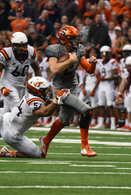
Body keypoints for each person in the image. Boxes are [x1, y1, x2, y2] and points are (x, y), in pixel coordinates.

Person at [40, 25, 98, 158]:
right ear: (64, 40)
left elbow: (89, 70)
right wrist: (70, 61)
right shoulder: (54, 50)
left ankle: (46, 140)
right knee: (87, 111)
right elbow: (54, 70)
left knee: (65, 120)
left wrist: (93, 63)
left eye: (76, 38)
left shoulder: (78, 50)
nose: (76, 41)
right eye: (72, 39)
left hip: (72, 86)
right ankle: (85, 147)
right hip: (60, 88)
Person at [0, 32, 41, 113]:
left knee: (7, 112)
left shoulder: (31, 51)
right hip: (8, 83)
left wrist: (39, 85)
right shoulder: (7, 53)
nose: (21, 48)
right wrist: (1, 87)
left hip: (21, 84)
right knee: (18, 110)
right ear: (13, 45)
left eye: (23, 45)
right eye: (18, 45)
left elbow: (37, 69)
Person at [91, 46, 118, 130]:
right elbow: (99, 73)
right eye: (102, 53)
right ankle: (101, 123)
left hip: (109, 86)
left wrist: (104, 78)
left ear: (109, 53)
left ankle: (113, 124)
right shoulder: (99, 62)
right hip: (101, 86)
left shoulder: (113, 62)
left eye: (105, 53)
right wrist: (97, 75)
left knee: (110, 105)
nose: (104, 55)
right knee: (101, 105)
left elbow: (115, 76)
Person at [117, 56, 131, 131]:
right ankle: (129, 125)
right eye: (128, 65)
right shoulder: (124, 71)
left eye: (130, 65)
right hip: (128, 92)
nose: (129, 67)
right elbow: (123, 82)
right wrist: (119, 93)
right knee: (128, 109)